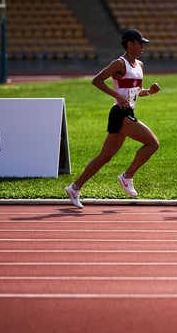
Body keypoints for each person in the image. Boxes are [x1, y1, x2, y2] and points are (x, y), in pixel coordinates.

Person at [64, 29, 161, 208]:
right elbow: (97, 80)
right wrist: (116, 95)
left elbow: (134, 92)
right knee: (153, 143)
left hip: (127, 113)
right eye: (140, 44)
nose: (142, 47)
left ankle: (74, 187)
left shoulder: (139, 65)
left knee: (105, 157)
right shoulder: (119, 63)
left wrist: (149, 92)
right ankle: (127, 176)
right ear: (130, 44)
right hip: (120, 113)